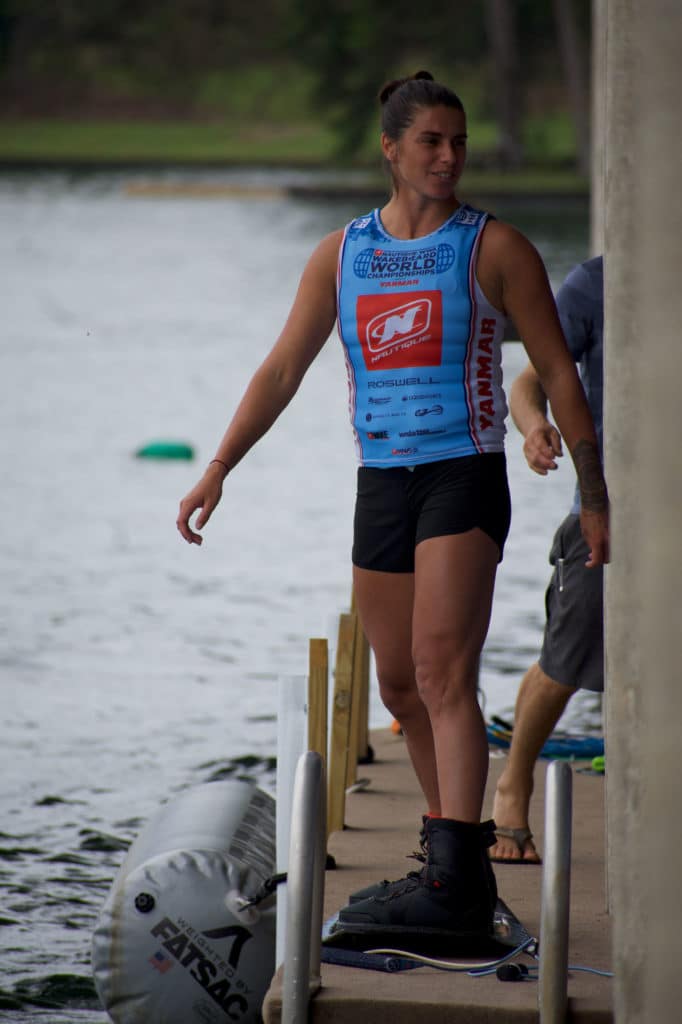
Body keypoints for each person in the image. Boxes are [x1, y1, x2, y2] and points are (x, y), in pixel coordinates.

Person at [176, 72, 609, 944]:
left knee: (445, 672)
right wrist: (220, 464)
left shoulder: (494, 247)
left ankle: (452, 887)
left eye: (458, 142)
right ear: (391, 148)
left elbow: (559, 372)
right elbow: (282, 370)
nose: (449, 157)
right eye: (431, 142)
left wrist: (592, 492)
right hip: (383, 478)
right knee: (400, 684)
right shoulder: (342, 254)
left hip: (463, 473)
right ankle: (458, 872)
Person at [489, 255, 605, 865]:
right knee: (565, 657)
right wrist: (535, 428)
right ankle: (514, 783)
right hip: (603, 505)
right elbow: (528, 382)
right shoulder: (595, 284)